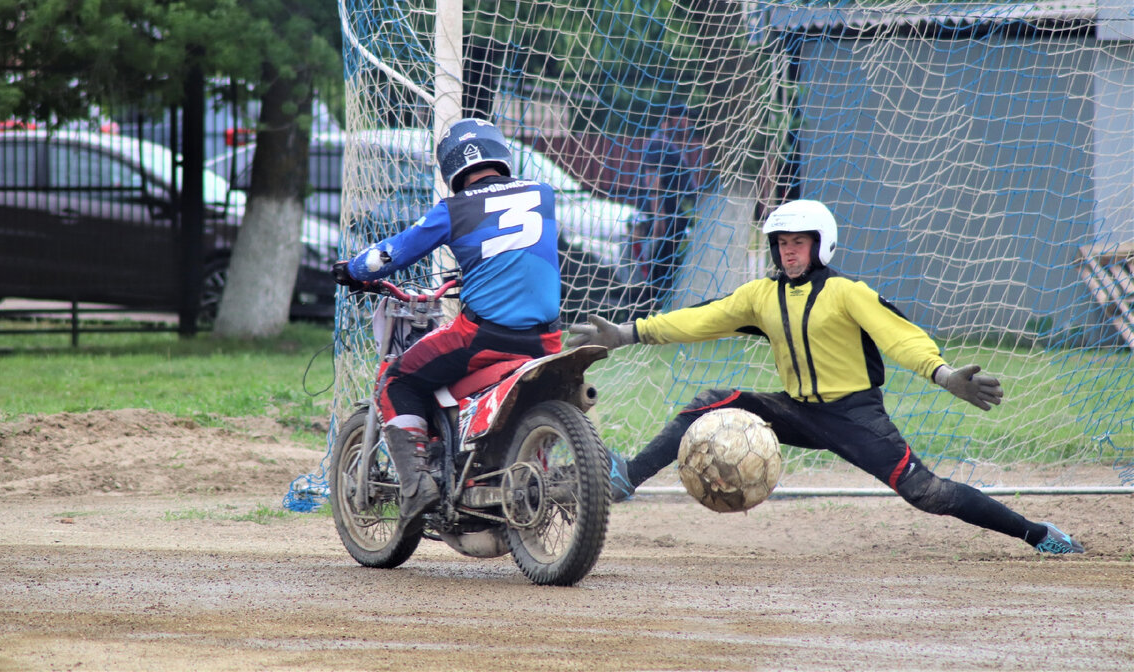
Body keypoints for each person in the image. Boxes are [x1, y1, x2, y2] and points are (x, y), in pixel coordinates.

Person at [568, 199, 1085, 555]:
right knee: (712, 399)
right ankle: (625, 477)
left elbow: (900, 336)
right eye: (781, 243)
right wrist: (627, 333)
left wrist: (944, 374)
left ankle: (1039, 534)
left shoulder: (847, 292)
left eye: (799, 243)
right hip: (796, 410)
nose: (788, 252)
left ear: (822, 245)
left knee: (927, 494)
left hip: (855, 416)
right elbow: (700, 318)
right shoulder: (760, 295)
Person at [332, 118, 563, 537]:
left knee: (396, 380)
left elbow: (391, 255)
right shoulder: (542, 194)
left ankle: (418, 485)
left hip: (484, 337)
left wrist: (352, 269)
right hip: (545, 340)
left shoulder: (453, 211)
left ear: (451, 167)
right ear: (501, 154)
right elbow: (513, 248)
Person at [638, 107, 696, 310]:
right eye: (683, 118)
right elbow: (653, 182)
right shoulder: (658, 143)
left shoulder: (672, 143)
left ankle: (661, 303)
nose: (687, 123)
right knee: (660, 264)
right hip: (664, 219)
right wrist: (659, 219)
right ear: (671, 119)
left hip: (675, 216)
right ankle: (650, 306)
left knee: (668, 263)